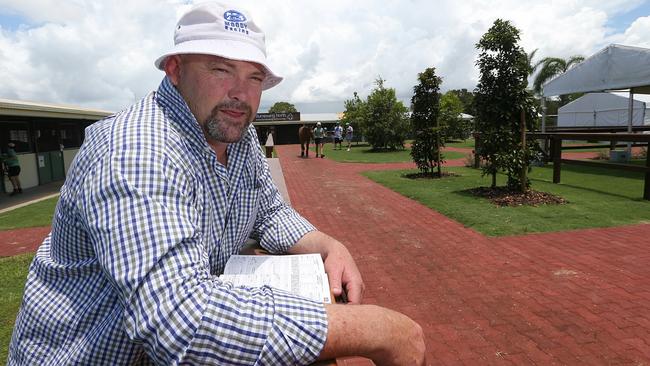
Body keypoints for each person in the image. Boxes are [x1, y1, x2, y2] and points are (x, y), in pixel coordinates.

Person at [8, 2, 425, 365]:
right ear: (175, 70)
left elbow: (270, 211)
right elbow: (180, 319)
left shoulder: (235, 136)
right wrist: (373, 329)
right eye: (221, 70)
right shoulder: (135, 150)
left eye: (254, 78)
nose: (240, 94)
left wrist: (327, 245)